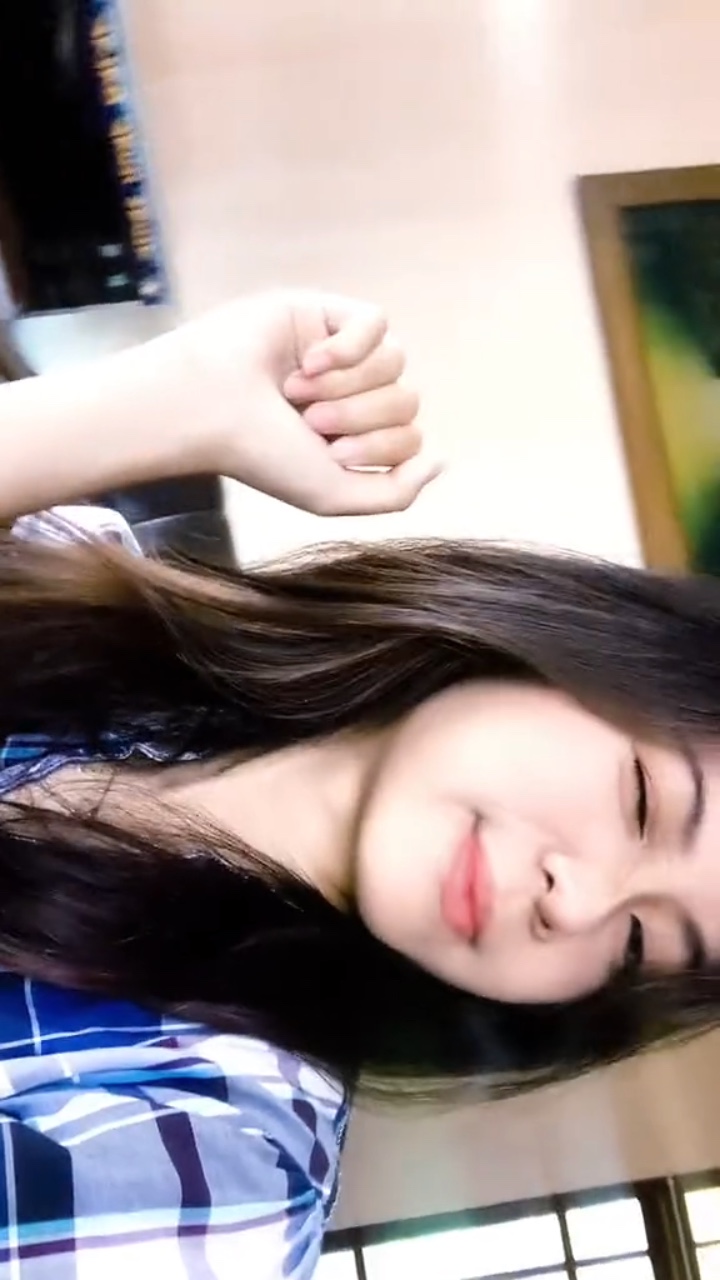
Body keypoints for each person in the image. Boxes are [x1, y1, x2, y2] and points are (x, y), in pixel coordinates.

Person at [1, 288, 719, 1278]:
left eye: (639, 944)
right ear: (570, 646)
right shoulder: (72, 571)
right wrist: (172, 399)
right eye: (644, 800)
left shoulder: (218, 1170)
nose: (580, 901)